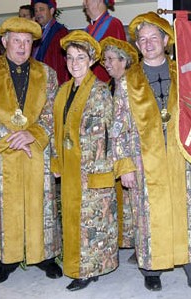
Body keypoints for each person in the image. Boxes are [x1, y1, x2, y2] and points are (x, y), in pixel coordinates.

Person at [123, 12, 191, 297]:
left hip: (182, 158)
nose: (148, 43)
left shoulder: (185, 73)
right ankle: (151, 269)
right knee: (147, 215)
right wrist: (125, 165)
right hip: (144, 160)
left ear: (166, 40)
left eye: (154, 37)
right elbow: (118, 126)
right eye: (142, 39)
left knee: (187, 216)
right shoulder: (127, 80)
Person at [0, 16, 62, 284]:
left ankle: (43, 255)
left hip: (36, 149)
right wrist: (10, 138)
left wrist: (31, 135)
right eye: (16, 41)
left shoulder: (47, 73)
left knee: (40, 202)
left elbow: (52, 111)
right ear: (4, 41)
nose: (22, 47)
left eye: (27, 42)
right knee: (3, 204)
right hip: (0, 151)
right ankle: (6, 258)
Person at [52, 30, 118, 291]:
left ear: (91, 60)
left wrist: (106, 169)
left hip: (93, 169)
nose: (74, 63)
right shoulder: (62, 91)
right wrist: (57, 163)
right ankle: (82, 266)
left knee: (93, 224)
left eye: (81, 57)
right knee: (74, 220)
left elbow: (112, 133)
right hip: (69, 168)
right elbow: (55, 130)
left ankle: (88, 271)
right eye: (70, 57)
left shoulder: (100, 91)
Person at [100, 37, 139, 259]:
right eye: (105, 59)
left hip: (130, 153)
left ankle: (138, 243)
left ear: (124, 61)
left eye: (111, 59)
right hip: (111, 153)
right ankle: (123, 240)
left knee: (133, 202)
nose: (106, 63)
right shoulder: (108, 86)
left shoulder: (134, 86)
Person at [83, 0, 126, 82]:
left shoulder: (113, 24)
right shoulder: (87, 30)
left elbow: (120, 62)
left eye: (86, 0)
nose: (84, 3)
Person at [32, 0, 69, 84]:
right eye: (36, 11)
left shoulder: (60, 32)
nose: (38, 14)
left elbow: (61, 64)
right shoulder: (37, 33)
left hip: (53, 84)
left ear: (51, 11)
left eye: (41, 9)